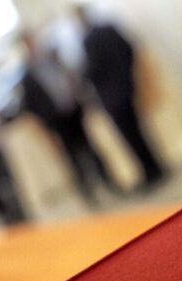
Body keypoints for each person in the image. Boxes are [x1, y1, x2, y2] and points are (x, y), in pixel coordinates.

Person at [74, 5, 166, 187]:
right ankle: (156, 166)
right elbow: (129, 49)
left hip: (111, 97)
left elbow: (94, 69)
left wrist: (81, 77)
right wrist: (127, 75)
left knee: (130, 136)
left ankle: (149, 171)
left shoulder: (89, 41)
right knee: (139, 131)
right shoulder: (109, 29)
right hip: (127, 87)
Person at [20, 30, 117, 203]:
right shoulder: (27, 75)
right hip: (58, 120)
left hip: (73, 111)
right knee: (72, 156)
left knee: (92, 148)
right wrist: (47, 117)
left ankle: (109, 182)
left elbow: (71, 78)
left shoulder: (52, 60)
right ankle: (88, 193)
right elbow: (30, 105)